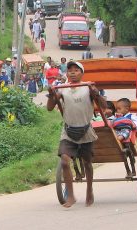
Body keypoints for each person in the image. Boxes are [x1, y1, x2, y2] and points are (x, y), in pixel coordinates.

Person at [47, 61, 107, 208]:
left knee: (87, 162)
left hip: (85, 130)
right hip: (68, 130)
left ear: (82, 73)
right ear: (66, 74)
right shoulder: (62, 89)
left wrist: (96, 94)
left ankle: (89, 189)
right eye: (70, 70)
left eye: (76, 70)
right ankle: (71, 195)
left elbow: (103, 106)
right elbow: (49, 108)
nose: (73, 72)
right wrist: (51, 96)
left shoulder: (88, 87)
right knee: (65, 161)